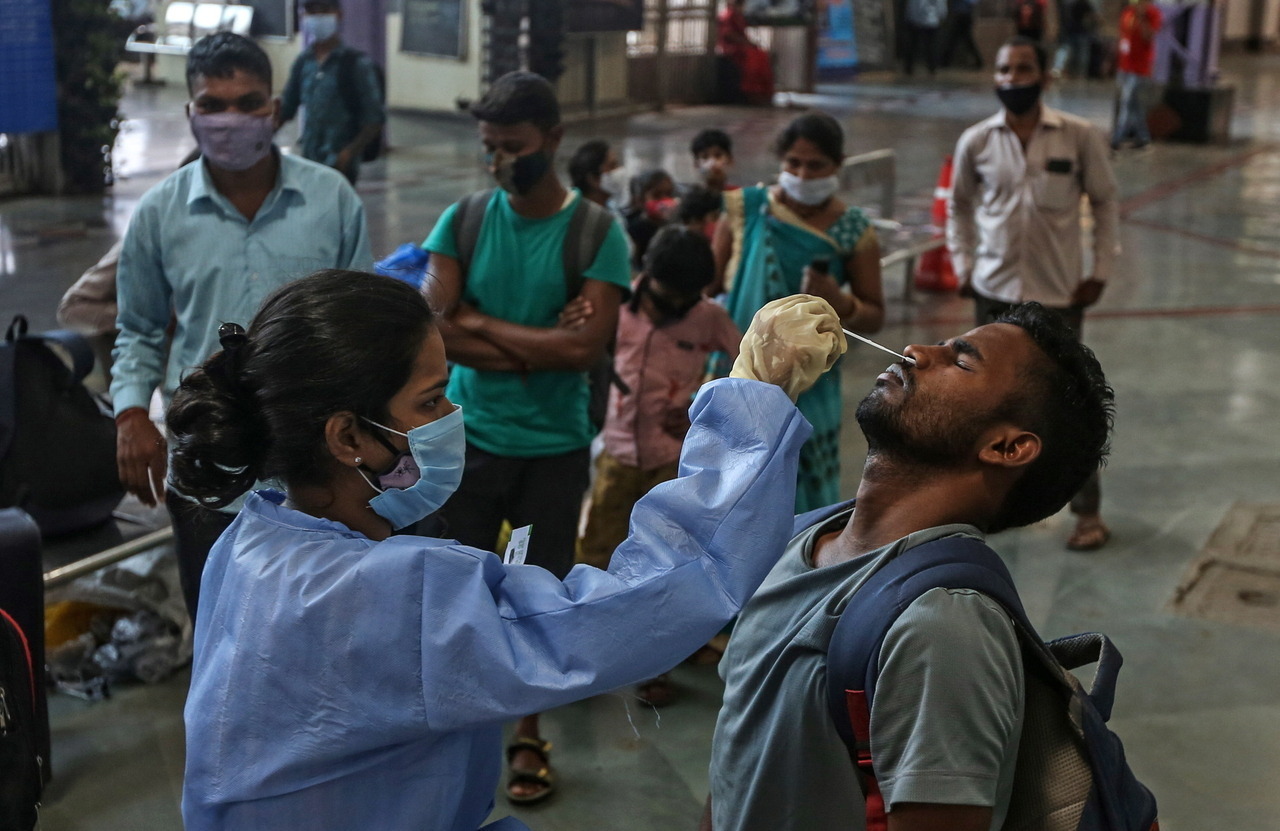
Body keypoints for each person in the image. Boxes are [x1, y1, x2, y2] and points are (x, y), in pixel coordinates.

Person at [173, 270, 839, 831]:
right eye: (430, 401)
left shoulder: (250, 541)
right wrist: (753, 403)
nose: (451, 417)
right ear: (349, 437)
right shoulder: (377, 594)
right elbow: (632, 609)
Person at [706, 302, 1116, 831]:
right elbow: (741, 760)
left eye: (960, 361)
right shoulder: (806, 536)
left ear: (1007, 446)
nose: (916, 352)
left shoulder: (942, 626)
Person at [420, 70, 631, 805]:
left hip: (552, 450)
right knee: (461, 588)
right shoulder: (465, 220)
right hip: (468, 442)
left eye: (513, 145)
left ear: (554, 138)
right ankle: (464, 723)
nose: (499, 160)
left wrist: (479, 322)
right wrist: (532, 345)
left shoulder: (596, 234)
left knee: (538, 594)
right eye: (490, 145)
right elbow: (433, 332)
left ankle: (528, 730)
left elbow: (583, 350)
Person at [111, 32, 372, 617]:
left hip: (314, 470)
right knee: (218, 631)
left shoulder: (331, 200)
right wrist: (131, 414)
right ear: (190, 113)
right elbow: (140, 329)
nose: (230, 119)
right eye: (213, 105)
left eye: (248, 102)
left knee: (320, 632)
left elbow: (359, 330)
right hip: (208, 472)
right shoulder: (158, 213)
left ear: (273, 110)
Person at [946, 36, 1119, 551]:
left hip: (1057, 294)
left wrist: (1101, 269)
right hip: (993, 292)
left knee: (1068, 405)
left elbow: (1105, 202)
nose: (1012, 78)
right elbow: (958, 206)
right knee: (984, 404)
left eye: (1023, 68)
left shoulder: (1078, 136)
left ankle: (1088, 513)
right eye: (1004, 69)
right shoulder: (976, 141)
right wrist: (963, 263)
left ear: (1044, 77)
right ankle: (984, 512)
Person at [577, 226, 741, 706]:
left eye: (688, 301)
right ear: (646, 276)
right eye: (668, 298)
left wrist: (701, 404)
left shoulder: (708, 317)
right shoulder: (613, 307)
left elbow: (746, 365)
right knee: (597, 552)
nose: (677, 309)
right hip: (615, 455)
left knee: (669, 562)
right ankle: (586, 648)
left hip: (673, 462)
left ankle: (658, 664)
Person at [713, 112, 885, 513]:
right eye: (793, 163)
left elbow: (874, 315)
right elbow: (708, 287)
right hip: (738, 366)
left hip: (811, 382)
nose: (803, 175)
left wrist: (840, 302)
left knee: (797, 492)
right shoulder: (746, 210)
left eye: (816, 165)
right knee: (731, 487)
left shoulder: (852, 229)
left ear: (837, 165)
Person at [279, 0, 386, 182]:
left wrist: (349, 153)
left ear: (339, 14)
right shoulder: (303, 62)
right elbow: (287, 107)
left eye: (324, 10)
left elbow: (374, 119)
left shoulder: (356, 65)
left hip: (341, 166)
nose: (317, 17)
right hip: (310, 161)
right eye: (311, 11)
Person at [1112, 0, 1163, 150]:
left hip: (1140, 69)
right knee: (1134, 105)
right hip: (1125, 66)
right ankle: (1143, 137)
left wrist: (1142, 18)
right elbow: (1123, 36)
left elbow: (1149, 36)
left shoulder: (1153, 15)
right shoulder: (1128, 13)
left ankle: (1117, 137)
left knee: (1126, 102)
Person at [716, 0, 775, 105]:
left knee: (761, 55)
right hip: (732, 48)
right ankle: (752, 92)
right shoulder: (727, 16)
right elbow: (728, 35)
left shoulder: (738, 16)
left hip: (742, 46)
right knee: (754, 58)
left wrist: (749, 43)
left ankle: (762, 93)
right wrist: (747, 43)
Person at [625, 168, 677, 266]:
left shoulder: (675, 227)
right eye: (657, 195)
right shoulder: (634, 230)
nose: (665, 200)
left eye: (669, 194)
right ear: (640, 200)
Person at [568, 138, 627, 209]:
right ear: (594, 178)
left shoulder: (613, 209)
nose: (619, 170)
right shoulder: (579, 213)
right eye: (612, 166)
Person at [903, 0, 946, 76]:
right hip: (926, 20)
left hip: (923, 20)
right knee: (923, 45)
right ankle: (930, 67)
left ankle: (930, 67)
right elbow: (941, 7)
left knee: (924, 45)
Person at [691, 128, 737, 194]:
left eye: (718, 156)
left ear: (730, 160)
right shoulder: (691, 198)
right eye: (705, 157)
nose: (712, 163)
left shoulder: (740, 195)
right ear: (696, 164)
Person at [940, 0, 983, 69]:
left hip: (964, 16)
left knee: (960, 39)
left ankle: (945, 61)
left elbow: (974, 2)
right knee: (955, 39)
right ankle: (945, 61)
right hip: (959, 15)